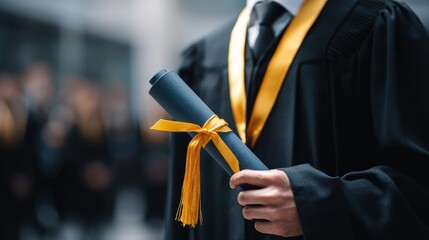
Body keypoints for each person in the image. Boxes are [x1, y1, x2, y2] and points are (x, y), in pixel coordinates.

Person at [164, 0, 429, 239]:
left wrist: (319, 204)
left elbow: (417, 187)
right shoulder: (201, 58)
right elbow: (182, 208)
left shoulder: (377, 27)